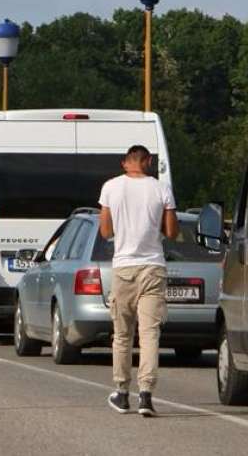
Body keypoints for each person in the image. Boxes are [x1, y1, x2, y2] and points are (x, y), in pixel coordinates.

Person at [98, 145, 178, 417]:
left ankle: (121, 393)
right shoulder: (161, 189)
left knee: (122, 335)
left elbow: (106, 230)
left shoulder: (110, 187)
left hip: (123, 268)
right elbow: (171, 231)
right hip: (153, 267)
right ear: (148, 161)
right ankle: (146, 395)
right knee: (149, 334)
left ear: (126, 163)